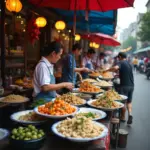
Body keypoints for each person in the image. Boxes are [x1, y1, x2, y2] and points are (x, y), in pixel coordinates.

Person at [105, 52, 134, 125]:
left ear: (120, 57)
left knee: (123, 102)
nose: (118, 58)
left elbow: (115, 68)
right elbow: (126, 73)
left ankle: (123, 117)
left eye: (118, 57)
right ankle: (130, 114)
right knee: (129, 101)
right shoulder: (129, 64)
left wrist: (107, 70)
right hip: (131, 85)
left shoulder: (121, 62)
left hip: (124, 85)